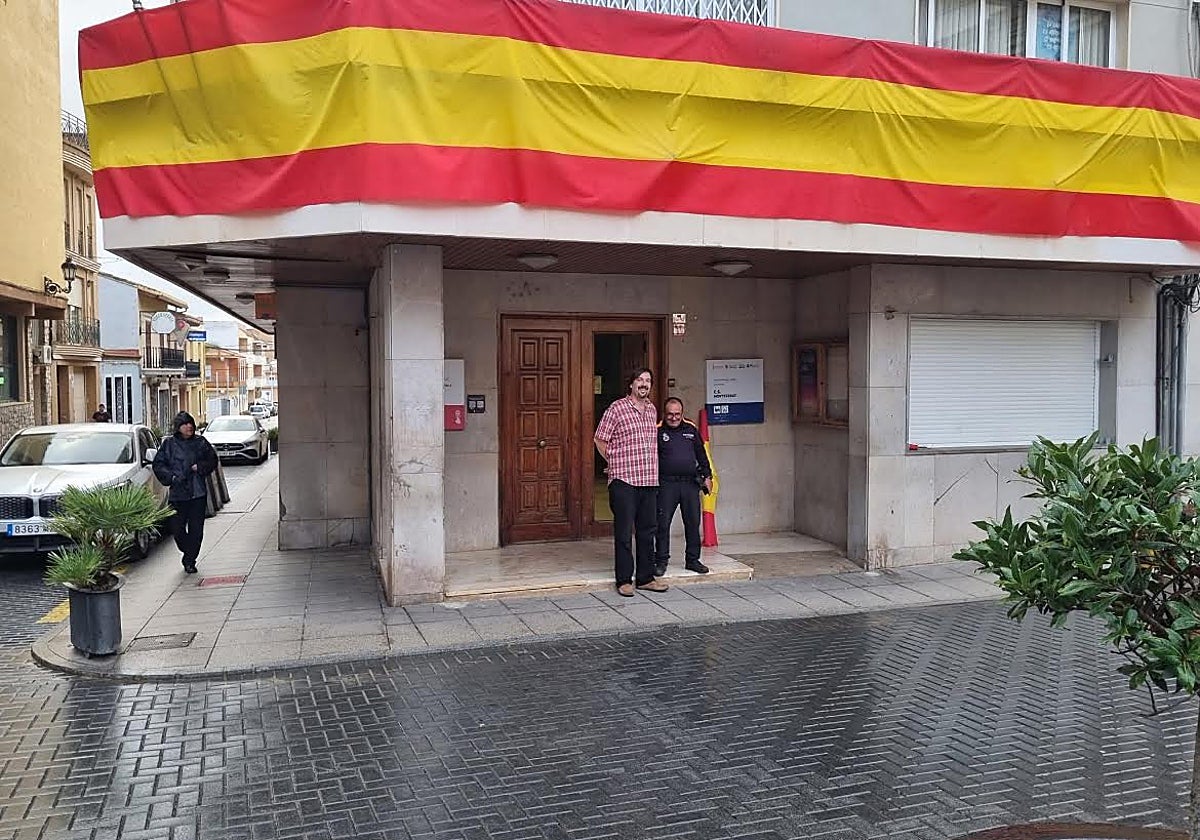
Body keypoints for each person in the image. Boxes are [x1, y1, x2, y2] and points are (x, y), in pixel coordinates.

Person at [594, 369, 669, 597]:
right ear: (631, 384)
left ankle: (645, 578)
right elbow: (600, 439)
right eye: (640, 380)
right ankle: (624, 579)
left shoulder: (652, 410)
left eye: (648, 381)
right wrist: (613, 462)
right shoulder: (616, 408)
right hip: (624, 479)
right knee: (624, 532)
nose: (644, 384)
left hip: (648, 479)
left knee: (647, 531)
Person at [152, 411, 218, 574]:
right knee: (177, 529)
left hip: (197, 493)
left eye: (190, 423)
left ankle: (190, 560)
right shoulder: (169, 444)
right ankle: (187, 550)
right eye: (185, 424)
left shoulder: (201, 442)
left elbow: (212, 460)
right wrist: (172, 477)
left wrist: (199, 467)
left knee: (196, 530)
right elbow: (158, 464)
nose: (189, 427)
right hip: (178, 494)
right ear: (178, 427)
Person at [655, 397, 713, 576]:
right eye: (670, 414)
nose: (673, 418)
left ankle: (692, 560)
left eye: (677, 414)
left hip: (690, 483)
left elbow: (701, 454)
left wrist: (708, 476)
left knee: (693, 523)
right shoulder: (656, 431)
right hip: (666, 484)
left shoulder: (691, 429)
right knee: (662, 524)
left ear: (682, 413)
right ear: (664, 414)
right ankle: (661, 561)